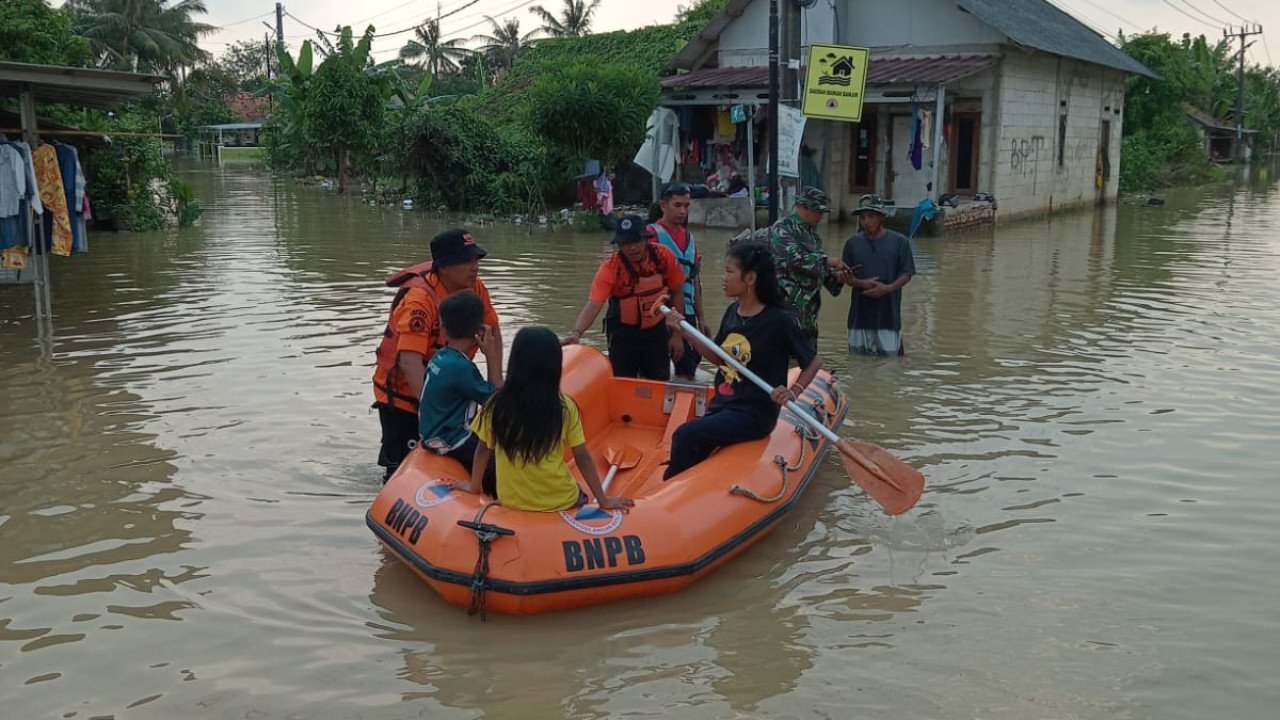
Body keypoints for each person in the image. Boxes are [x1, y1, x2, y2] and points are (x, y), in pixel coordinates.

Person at [663, 242, 822, 479]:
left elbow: (813, 361)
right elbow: (720, 359)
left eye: (729, 272)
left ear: (750, 278)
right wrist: (685, 332)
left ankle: (668, 490)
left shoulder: (779, 320)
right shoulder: (732, 313)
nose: (723, 278)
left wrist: (793, 392)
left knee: (684, 434)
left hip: (755, 413)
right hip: (723, 405)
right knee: (694, 440)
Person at [457, 327, 634, 512]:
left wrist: (474, 487)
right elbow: (581, 456)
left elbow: (483, 449)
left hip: (513, 502)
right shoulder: (564, 408)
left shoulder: (496, 405)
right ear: (555, 368)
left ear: (514, 364)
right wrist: (603, 500)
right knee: (577, 492)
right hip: (560, 501)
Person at [372, 229, 501, 481]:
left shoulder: (475, 289)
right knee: (398, 466)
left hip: (448, 389)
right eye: (466, 261)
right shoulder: (419, 301)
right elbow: (410, 362)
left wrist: (494, 371)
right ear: (443, 268)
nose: (474, 267)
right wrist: (432, 410)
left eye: (476, 260)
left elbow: (493, 334)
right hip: (404, 397)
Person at [563, 215, 686, 380]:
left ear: (645, 239)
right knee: (621, 381)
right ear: (619, 244)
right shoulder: (610, 267)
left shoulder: (664, 256)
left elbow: (677, 292)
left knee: (658, 381)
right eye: (626, 243)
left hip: (657, 332)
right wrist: (577, 332)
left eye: (637, 241)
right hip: (623, 335)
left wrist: (677, 335)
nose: (633, 248)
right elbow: (594, 304)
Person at [418, 290, 502, 496]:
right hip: (454, 440)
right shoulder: (462, 368)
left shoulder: (441, 357)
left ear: (443, 328)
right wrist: (491, 355)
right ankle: (500, 498)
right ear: (479, 331)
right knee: (504, 457)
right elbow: (496, 402)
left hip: (431, 435)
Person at [766, 186, 850, 347]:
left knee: (806, 362)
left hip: (808, 317)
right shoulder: (782, 228)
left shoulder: (813, 237)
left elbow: (822, 275)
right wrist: (828, 261)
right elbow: (791, 259)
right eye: (818, 211)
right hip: (785, 310)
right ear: (803, 207)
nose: (821, 216)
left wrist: (840, 278)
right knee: (783, 362)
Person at [649, 183, 710, 381]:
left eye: (686, 205)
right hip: (660, 314)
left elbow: (695, 281)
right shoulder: (651, 235)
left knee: (690, 364)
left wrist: (702, 318)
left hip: (688, 314)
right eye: (677, 205)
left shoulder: (690, 239)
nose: (683, 211)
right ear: (663, 205)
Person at [841, 197, 916, 356]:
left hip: (888, 318)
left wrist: (887, 288)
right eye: (862, 218)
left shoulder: (900, 242)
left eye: (871, 216)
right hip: (858, 318)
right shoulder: (851, 244)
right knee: (857, 364)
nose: (866, 221)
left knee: (889, 366)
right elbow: (846, 277)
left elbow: (907, 274)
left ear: (881, 217)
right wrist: (862, 283)